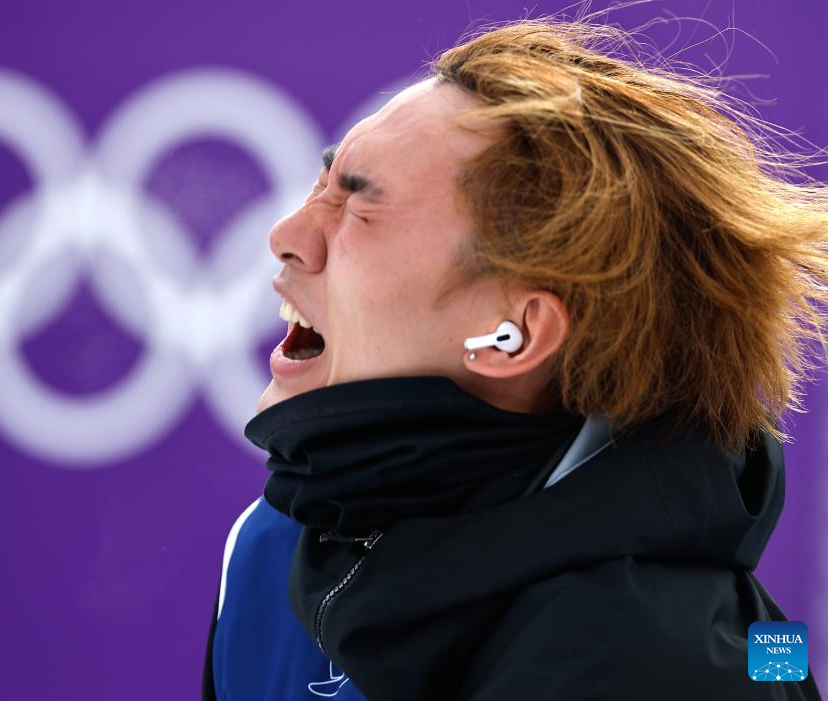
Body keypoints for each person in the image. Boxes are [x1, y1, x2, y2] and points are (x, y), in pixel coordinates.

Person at [202, 13, 828, 701]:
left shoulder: (675, 671)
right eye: (324, 185)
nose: (286, 234)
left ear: (515, 335)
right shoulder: (274, 545)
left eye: (359, 206)